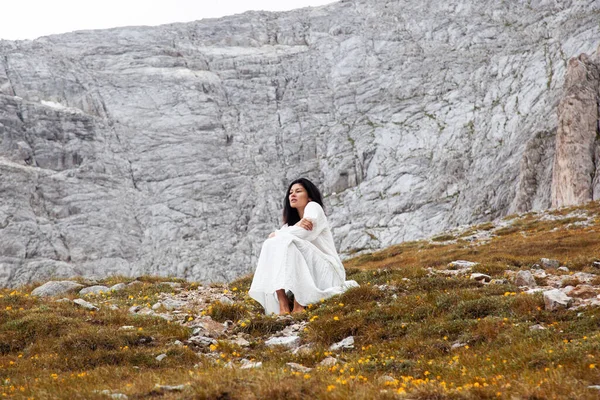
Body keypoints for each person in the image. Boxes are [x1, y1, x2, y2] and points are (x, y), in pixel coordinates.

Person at [249, 178, 358, 315]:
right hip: (312, 272)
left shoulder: (314, 207)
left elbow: (304, 234)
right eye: (290, 192)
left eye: (298, 191)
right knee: (271, 243)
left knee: (286, 242)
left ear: (309, 197)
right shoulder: (289, 226)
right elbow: (285, 235)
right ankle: (283, 306)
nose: (292, 195)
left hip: (329, 272)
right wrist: (284, 232)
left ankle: (299, 306)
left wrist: (278, 233)